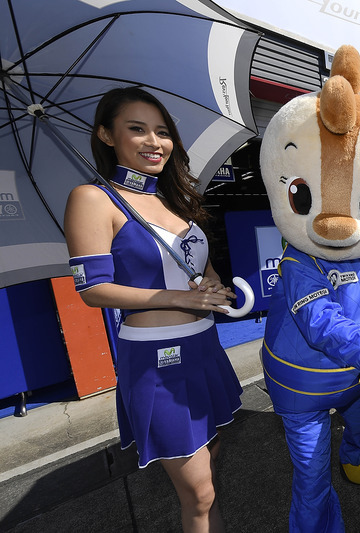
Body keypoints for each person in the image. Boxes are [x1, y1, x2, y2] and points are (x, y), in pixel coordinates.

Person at [64, 87, 242, 532]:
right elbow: (94, 290)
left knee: (211, 467)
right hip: (155, 360)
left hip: (205, 346)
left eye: (162, 132)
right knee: (198, 492)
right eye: (137, 129)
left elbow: (205, 269)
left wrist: (214, 286)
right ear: (107, 136)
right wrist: (180, 298)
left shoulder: (175, 200)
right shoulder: (93, 199)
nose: (154, 142)